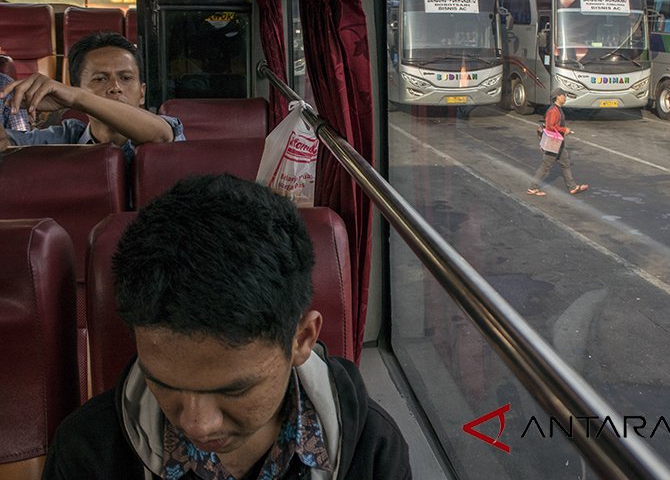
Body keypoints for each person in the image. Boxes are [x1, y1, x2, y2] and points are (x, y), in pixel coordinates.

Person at [42, 174, 411, 480]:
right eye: (164, 384)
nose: (198, 425)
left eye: (235, 391)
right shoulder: (87, 453)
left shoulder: (371, 451)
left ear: (301, 339)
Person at [0, 32, 184, 161]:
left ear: (142, 92)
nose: (115, 87)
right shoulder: (67, 138)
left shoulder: (167, 126)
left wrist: (78, 99)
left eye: (126, 78)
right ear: (75, 87)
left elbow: (161, 136)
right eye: (100, 79)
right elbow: (9, 144)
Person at [526, 87, 589, 197]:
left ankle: (572, 187)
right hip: (553, 143)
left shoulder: (557, 109)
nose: (565, 98)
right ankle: (533, 188)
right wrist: (565, 130)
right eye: (563, 95)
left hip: (558, 143)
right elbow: (550, 126)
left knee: (565, 164)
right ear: (558, 96)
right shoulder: (553, 110)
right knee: (546, 165)